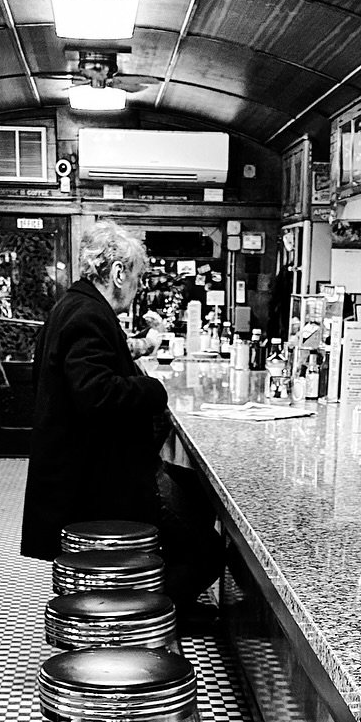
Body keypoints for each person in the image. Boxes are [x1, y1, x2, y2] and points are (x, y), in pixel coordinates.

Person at [20, 220, 225, 624]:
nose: (137, 286)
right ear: (117, 272)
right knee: (209, 549)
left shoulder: (75, 306)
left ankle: (152, 598)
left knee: (197, 496)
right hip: (97, 484)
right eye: (136, 276)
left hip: (86, 469)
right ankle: (143, 615)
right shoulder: (88, 315)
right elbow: (97, 395)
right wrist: (153, 390)